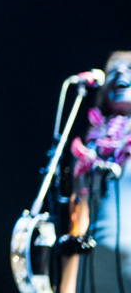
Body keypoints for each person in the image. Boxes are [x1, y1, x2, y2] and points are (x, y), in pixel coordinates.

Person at [61, 52, 131, 293]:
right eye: (114, 71)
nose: (121, 74)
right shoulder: (88, 150)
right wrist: (67, 286)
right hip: (90, 274)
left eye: (130, 68)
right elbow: (76, 224)